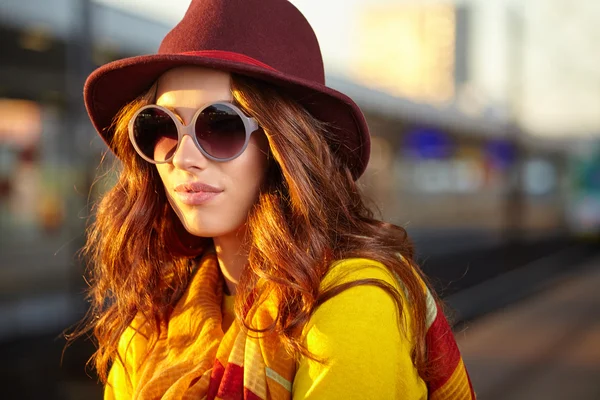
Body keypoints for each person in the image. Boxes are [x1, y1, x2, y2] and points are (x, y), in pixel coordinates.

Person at [73, 0, 475, 398]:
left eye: (220, 124)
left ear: (285, 147)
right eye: (161, 126)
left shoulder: (354, 302)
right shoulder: (151, 328)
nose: (184, 156)